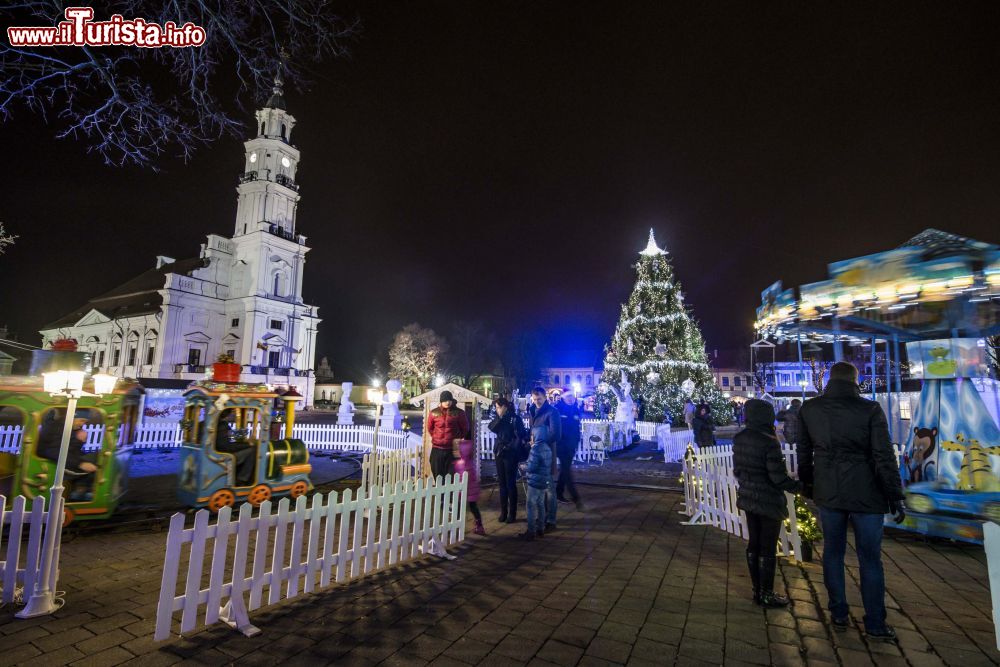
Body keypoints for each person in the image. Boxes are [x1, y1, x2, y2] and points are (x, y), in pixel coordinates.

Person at [797, 362, 905, 641]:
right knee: (870, 558)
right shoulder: (869, 409)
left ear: (831, 380)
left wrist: (809, 484)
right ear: (856, 380)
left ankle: (839, 612)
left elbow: (804, 452)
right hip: (866, 492)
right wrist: (894, 493)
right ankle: (875, 622)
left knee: (833, 552)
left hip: (829, 490)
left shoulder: (810, 409)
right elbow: (883, 455)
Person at [733, 399, 802, 607]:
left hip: (748, 496)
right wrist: (798, 486)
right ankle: (767, 593)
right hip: (768, 499)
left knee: (754, 543)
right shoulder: (768, 441)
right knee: (768, 547)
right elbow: (777, 477)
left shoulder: (741, 438)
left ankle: (757, 590)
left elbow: (737, 470)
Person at [36, 410, 98, 499]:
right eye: (81, 420)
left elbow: (71, 451)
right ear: (72, 417)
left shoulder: (69, 428)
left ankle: (79, 493)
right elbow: (53, 452)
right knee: (88, 471)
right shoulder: (57, 428)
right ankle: (77, 496)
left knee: (93, 462)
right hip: (51, 462)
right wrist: (80, 463)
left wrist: (80, 441)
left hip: (61, 460)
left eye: (85, 422)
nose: (82, 424)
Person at [488, 398, 527, 523]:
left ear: (505, 406)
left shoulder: (515, 418)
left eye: (498, 407)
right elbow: (492, 427)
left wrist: (511, 446)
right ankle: (503, 512)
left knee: (510, 483)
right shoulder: (499, 418)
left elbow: (521, 435)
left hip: (511, 453)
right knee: (502, 483)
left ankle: (512, 513)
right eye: (496, 407)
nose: (497, 409)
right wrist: (499, 417)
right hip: (499, 452)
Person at [528, 386, 561, 532]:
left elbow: (556, 434)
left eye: (539, 399)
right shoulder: (532, 410)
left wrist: (540, 441)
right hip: (536, 452)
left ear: (545, 397)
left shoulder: (552, 412)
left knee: (549, 488)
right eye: (534, 399)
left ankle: (551, 520)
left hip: (546, 453)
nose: (536, 402)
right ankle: (542, 517)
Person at [426, 390, 470, 482]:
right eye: (445, 400)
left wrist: (456, 438)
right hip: (437, 448)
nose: (447, 402)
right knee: (437, 474)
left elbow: (465, 428)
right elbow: (430, 428)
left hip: (453, 448)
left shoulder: (459, 412)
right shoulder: (434, 413)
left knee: (452, 475)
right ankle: (440, 495)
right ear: (441, 401)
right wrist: (436, 437)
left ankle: (450, 496)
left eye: (449, 400)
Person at [521, 420, 553, 540]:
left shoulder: (536, 449)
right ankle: (541, 529)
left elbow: (532, 467)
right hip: (543, 481)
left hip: (534, 482)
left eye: (532, 435)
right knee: (541, 505)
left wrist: (524, 467)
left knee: (530, 505)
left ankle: (531, 531)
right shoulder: (547, 448)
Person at [555, 389, 584, 509]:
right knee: (567, 470)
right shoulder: (557, 409)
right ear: (563, 397)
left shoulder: (575, 408)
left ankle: (558, 492)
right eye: (568, 396)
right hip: (561, 445)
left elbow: (577, 426)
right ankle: (575, 497)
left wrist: (577, 440)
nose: (571, 398)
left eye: (572, 396)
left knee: (564, 469)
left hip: (571, 445)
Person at [453, 439, 485, 535]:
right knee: (473, 508)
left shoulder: (460, 464)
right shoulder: (471, 463)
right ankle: (479, 525)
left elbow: (460, 479)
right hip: (472, 491)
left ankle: (458, 527)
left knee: (460, 509)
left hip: (464, 491)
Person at [214, 411, 255, 485]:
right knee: (251, 451)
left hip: (217, 451)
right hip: (223, 455)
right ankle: (242, 479)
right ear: (227, 415)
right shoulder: (222, 425)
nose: (235, 414)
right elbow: (227, 447)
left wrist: (243, 436)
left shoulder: (210, 423)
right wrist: (248, 444)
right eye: (233, 412)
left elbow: (228, 436)